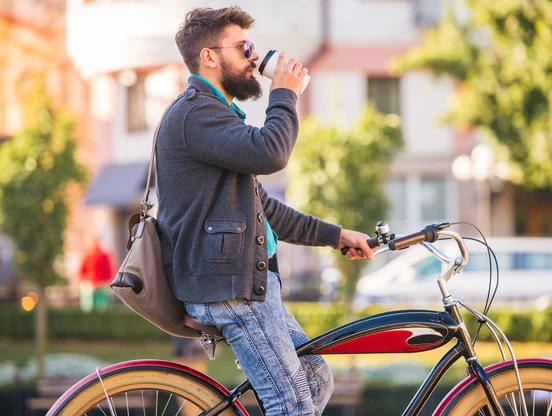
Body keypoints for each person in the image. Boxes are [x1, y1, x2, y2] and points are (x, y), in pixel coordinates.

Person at [156, 6, 374, 416]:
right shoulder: (196, 114)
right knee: (291, 404)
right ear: (209, 57)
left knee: (315, 378)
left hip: (247, 288)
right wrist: (285, 92)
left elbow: (264, 207)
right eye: (244, 48)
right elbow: (272, 152)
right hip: (230, 290)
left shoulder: (216, 118)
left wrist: (337, 235)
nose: (254, 58)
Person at [78, 235, 114, 311]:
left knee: (98, 307)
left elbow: (108, 271)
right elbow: (82, 270)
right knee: (91, 308)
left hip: (98, 285)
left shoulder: (102, 255)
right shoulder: (88, 254)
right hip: (90, 285)